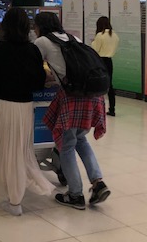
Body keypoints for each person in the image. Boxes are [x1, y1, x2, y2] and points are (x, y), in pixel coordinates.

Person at [0, 8, 55, 216]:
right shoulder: (33, 51)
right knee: (20, 152)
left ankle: (13, 199)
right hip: (25, 108)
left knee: (4, 152)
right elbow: (38, 82)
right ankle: (16, 197)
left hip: (4, 108)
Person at [34, 12, 110, 211]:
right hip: (92, 95)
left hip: (72, 97)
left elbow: (32, 68)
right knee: (81, 139)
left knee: (66, 144)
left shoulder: (42, 41)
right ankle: (98, 182)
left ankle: (75, 194)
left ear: (40, 26)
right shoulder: (73, 38)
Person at [92, 16, 120, 117]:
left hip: (100, 61)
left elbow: (95, 49)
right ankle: (112, 109)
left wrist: (93, 42)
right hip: (109, 61)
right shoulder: (115, 35)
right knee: (110, 85)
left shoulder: (100, 35)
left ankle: (96, 109)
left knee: (97, 84)